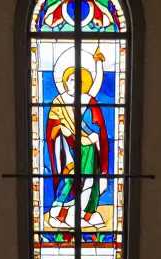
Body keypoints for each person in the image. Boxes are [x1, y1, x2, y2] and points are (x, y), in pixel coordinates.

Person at [46, 51, 109, 230]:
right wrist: (68, 134)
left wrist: (98, 63)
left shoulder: (85, 99)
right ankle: (58, 213)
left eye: (80, 81)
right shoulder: (58, 102)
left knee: (90, 180)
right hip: (68, 150)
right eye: (73, 80)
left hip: (89, 148)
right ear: (66, 82)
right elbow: (53, 131)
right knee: (69, 181)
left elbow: (96, 84)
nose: (76, 84)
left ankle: (85, 213)